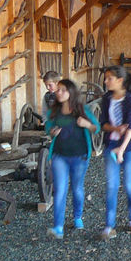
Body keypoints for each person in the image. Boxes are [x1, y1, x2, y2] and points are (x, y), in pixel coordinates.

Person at [44, 79, 101, 239]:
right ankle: (58, 227)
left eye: (63, 90)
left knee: (76, 188)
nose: (58, 92)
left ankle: (77, 217)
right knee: (60, 190)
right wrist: (52, 132)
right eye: (58, 90)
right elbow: (48, 127)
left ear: (71, 93)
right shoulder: (53, 112)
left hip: (80, 156)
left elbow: (97, 128)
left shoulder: (83, 110)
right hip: (59, 156)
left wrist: (87, 125)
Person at [98, 65, 131, 241]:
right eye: (106, 78)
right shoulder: (106, 98)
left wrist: (121, 150)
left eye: (109, 78)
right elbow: (103, 124)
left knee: (129, 185)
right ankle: (109, 225)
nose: (106, 81)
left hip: (130, 147)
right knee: (111, 186)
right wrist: (115, 128)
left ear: (120, 80)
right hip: (111, 144)